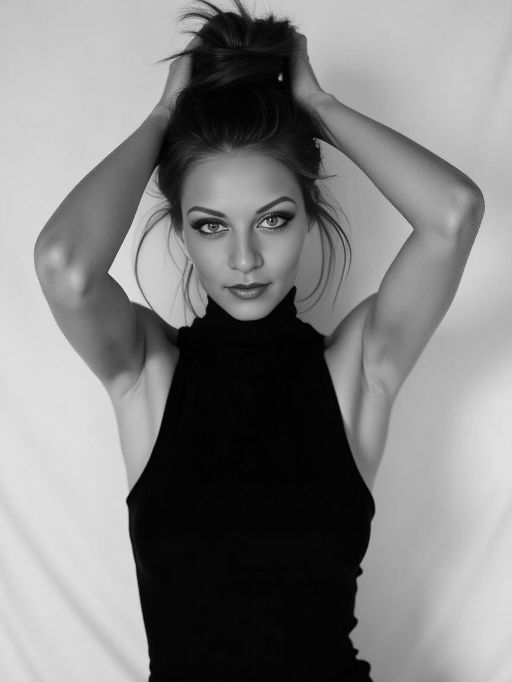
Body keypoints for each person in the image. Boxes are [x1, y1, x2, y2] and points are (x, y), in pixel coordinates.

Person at [33, 0, 485, 679]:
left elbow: (453, 213)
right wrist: (163, 119)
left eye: (272, 219)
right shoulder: (147, 371)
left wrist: (318, 105)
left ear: (308, 216)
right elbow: (64, 266)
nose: (244, 258)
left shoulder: (358, 369)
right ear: (182, 231)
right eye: (211, 225)